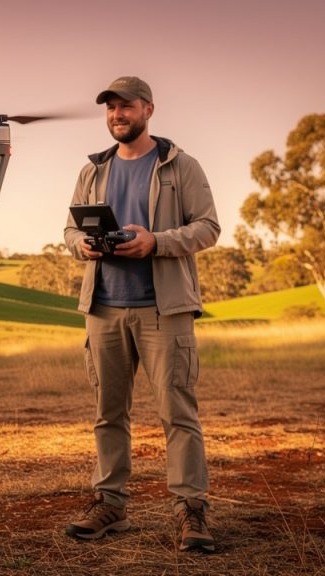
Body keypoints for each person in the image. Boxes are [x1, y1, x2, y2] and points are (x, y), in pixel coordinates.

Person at [62, 76, 220, 552]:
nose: (117, 115)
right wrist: (83, 246)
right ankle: (110, 506)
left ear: (148, 109)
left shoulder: (180, 165)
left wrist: (157, 242)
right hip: (104, 309)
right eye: (111, 108)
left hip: (163, 309)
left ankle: (191, 510)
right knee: (108, 414)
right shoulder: (93, 170)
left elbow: (208, 227)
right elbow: (69, 231)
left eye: (126, 106)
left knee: (178, 414)